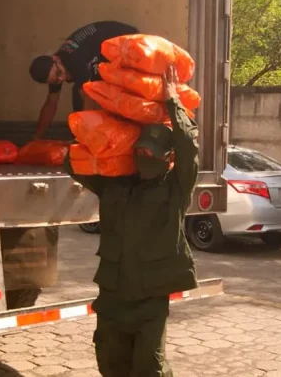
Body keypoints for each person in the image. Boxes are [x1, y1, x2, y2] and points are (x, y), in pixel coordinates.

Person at [64, 65, 198, 377]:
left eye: (151, 154)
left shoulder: (175, 190)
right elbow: (75, 165)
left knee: (148, 367)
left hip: (149, 299)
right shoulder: (116, 186)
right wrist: (92, 123)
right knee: (110, 364)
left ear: (167, 158)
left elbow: (188, 147)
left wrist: (172, 100)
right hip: (113, 295)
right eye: (139, 151)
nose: (143, 157)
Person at [29, 20, 139, 140]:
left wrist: (82, 136)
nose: (61, 78)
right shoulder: (56, 69)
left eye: (59, 73)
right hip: (103, 52)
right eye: (55, 80)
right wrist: (38, 137)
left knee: (83, 93)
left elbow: (88, 97)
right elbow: (51, 103)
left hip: (129, 41)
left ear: (56, 59)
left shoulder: (73, 60)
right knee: (85, 90)